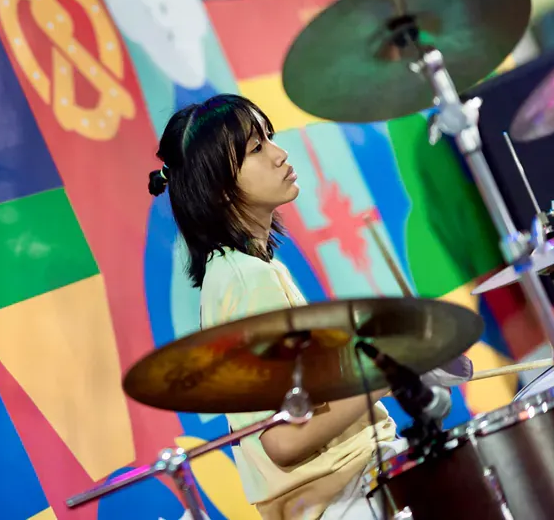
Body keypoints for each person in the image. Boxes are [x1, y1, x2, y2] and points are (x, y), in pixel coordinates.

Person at [147, 94, 472, 520]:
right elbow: (280, 441)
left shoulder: (238, 271)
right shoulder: (247, 279)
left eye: (270, 138)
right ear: (220, 189)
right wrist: (391, 370)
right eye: (256, 149)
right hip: (342, 499)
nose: (280, 155)